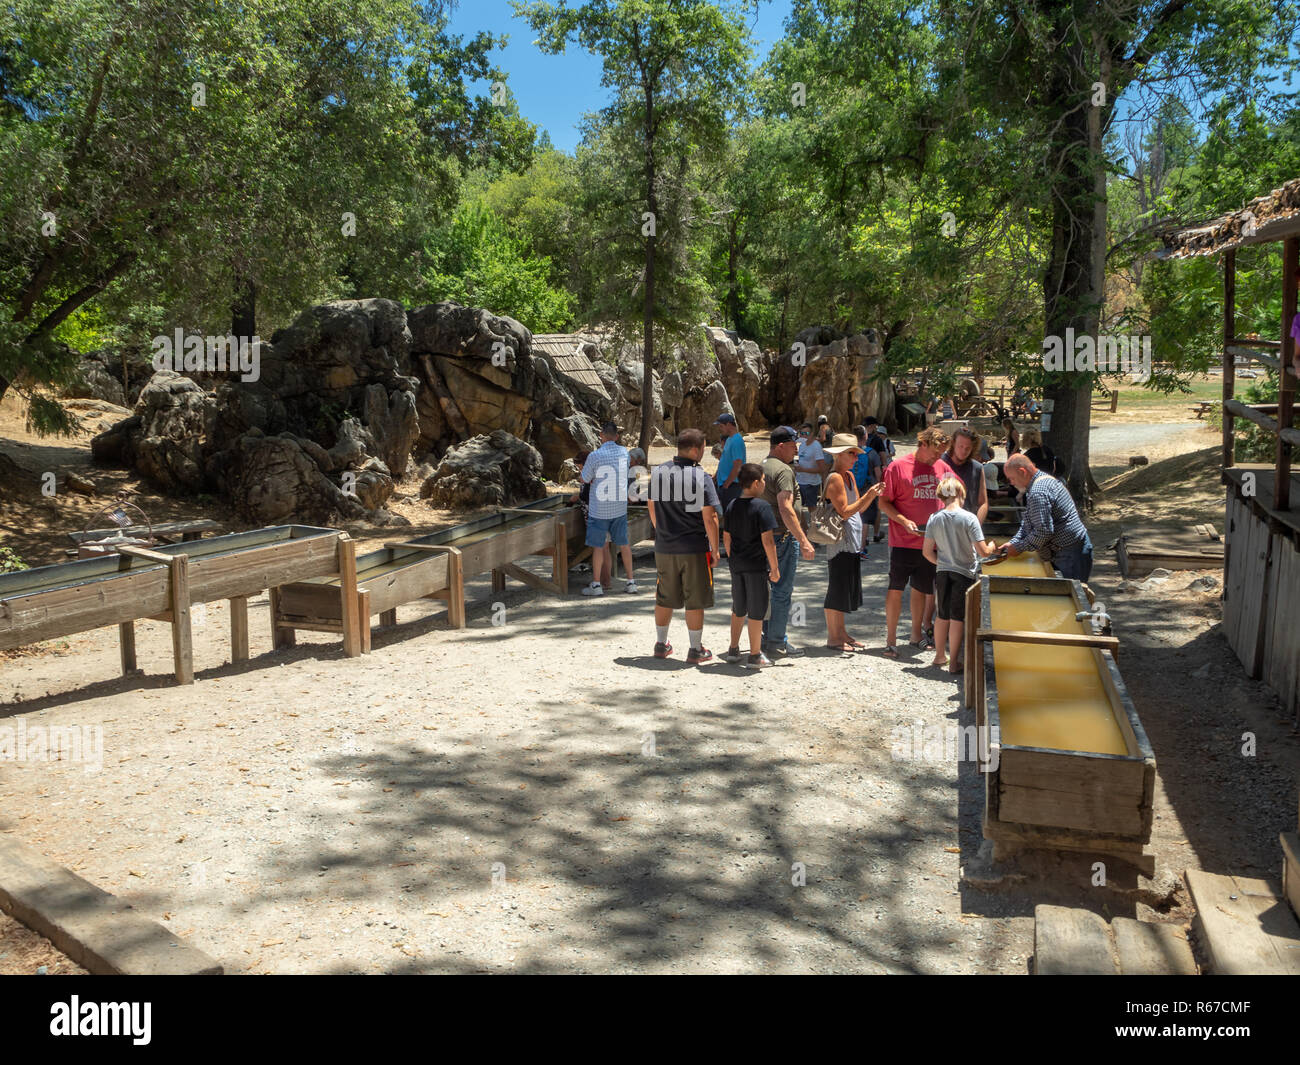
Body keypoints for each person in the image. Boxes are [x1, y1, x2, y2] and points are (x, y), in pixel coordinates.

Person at [878, 426, 954, 657]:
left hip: (930, 543)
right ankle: (891, 640)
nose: (937, 457)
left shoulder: (943, 467)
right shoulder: (898, 467)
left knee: (921, 590)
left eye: (941, 453)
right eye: (934, 452)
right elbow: (883, 502)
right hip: (902, 541)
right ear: (922, 444)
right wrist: (902, 520)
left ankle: (916, 635)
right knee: (896, 589)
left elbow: (956, 495)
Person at [647, 428, 721, 662]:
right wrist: (715, 549)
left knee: (664, 596)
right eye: (703, 449)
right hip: (694, 547)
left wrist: (662, 530)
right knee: (695, 598)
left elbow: (651, 505)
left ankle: (661, 644)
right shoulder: (701, 477)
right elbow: (710, 517)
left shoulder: (658, 473)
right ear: (697, 449)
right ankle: (695, 648)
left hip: (665, 546)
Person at [922, 475, 997, 674]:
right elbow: (982, 552)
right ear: (960, 494)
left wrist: (943, 563)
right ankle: (954, 662)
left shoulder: (934, 518)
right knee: (957, 618)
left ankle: (939, 656)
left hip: (942, 572)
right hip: (963, 573)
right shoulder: (969, 518)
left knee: (942, 615)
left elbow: (927, 552)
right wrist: (992, 546)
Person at [822, 434, 885, 651]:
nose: (856, 458)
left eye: (856, 453)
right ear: (839, 455)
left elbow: (859, 508)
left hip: (852, 541)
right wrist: (868, 494)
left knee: (845, 588)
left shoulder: (847, 475)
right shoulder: (836, 478)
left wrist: (870, 496)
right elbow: (845, 512)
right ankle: (833, 638)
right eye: (851, 453)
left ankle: (841, 633)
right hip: (840, 541)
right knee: (837, 589)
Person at [760, 426, 817, 658]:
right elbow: (785, 507)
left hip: (763, 537)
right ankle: (777, 641)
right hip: (781, 537)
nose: (797, 449)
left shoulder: (761, 466)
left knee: (765, 590)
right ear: (780, 446)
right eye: (793, 445)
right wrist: (803, 540)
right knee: (781, 591)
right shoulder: (783, 470)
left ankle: (765, 636)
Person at [722, 463, 780, 670]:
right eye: (763, 480)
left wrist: (732, 558)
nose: (764, 483)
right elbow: (768, 541)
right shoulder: (762, 506)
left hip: (736, 564)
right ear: (756, 483)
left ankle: (733, 649)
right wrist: (774, 567)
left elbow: (726, 537)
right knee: (756, 610)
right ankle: (755, 655)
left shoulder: (731, 505)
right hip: (756, 566)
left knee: (738, 607)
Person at [1002, 454, 1093, 581]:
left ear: (1022, 472)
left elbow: (1043, 531)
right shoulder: (1042, 481)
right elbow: (1029, 521)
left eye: (1011, 478)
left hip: (1070, 553)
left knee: (1072, 596)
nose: (1011, 483)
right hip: (1068, 550)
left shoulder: (1037, 492)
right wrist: (1014, 542)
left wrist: (1018, 547)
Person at [580, 422, 637, 596]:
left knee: (598, 546)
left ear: (601, 435)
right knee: (624, 544)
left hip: (599, 509)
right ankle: (630, 582)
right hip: (619, 507)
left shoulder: (594, 456)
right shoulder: (624, 453)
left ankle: (596, 585)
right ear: (617, 436)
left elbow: (585, 478)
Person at [941, 426, 989, 524]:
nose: (963, 451)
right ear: (953, 443)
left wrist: (976, 527)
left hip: (967, 525)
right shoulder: (939, 463)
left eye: (968, 448)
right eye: (960, 446)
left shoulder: (977, 468)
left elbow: (983, 503)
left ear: (973, 448)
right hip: (942, 524)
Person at [851, 424, 883, 556]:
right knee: (864, 520)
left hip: (852, 488)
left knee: (852, 516)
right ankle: (861, 548)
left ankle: (852, 545)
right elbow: (878, 473)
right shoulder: (871, 453)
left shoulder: (850, 451)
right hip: (868, 489)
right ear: (866, 436)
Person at [713, 412, 746, 537]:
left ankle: (734, 546)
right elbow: (724, 461)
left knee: (733, 518)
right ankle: (730, 546)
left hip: (732, 486)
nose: (719, 429)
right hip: (726, 484)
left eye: (721, 426)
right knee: (729, 517)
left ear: (728, 425)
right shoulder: (731, 439)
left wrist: (727, 483)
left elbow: (737, 465)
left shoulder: (737, 440)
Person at [794, 422, 829, 508]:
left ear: (812, 434)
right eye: (802, 433)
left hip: (811, 484)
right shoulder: (801, 445)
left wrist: (803, 469)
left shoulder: (816, 446)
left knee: (811, 510)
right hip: (799, 482)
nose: (804, 436)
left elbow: (822, 469)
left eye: (806, 433)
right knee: (799, 509)